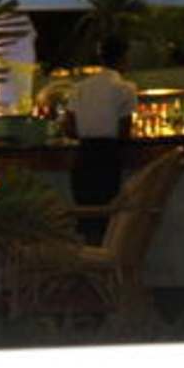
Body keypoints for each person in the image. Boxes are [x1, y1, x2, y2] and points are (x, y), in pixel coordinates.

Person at [63, 35, 140, 245]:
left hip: (83, 156)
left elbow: (68, 127)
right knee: (108, 216)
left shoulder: (80, 87)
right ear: (124, 58)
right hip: (108, 156)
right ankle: (105, 258)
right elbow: (125, 130)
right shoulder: (126, 88)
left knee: (87, 216)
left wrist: (87, 131)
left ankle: (90, 256)